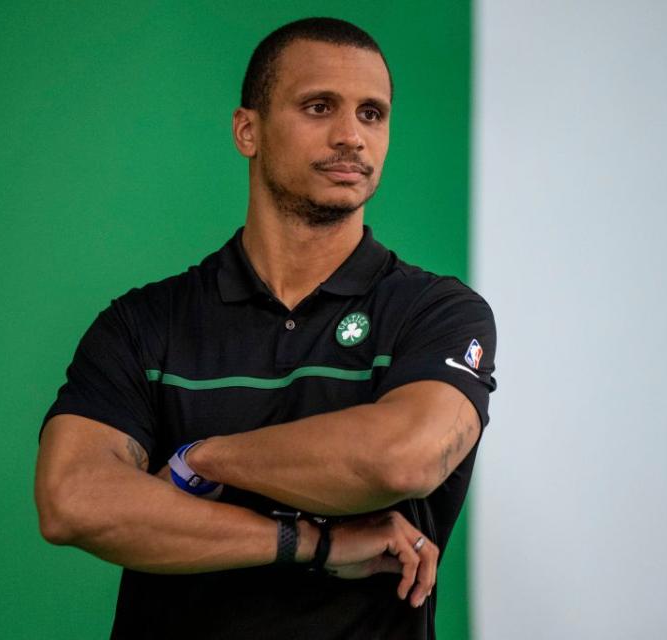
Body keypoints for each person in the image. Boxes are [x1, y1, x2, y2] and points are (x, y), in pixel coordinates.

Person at [35, 16, 496, 639]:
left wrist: (204, 459)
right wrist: (314, 543)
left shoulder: (436, 311)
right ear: (247, 130)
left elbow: (400, 460)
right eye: (318, 106)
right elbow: (73, 500)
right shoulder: (144, 323)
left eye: (371, 114)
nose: (351, 136)